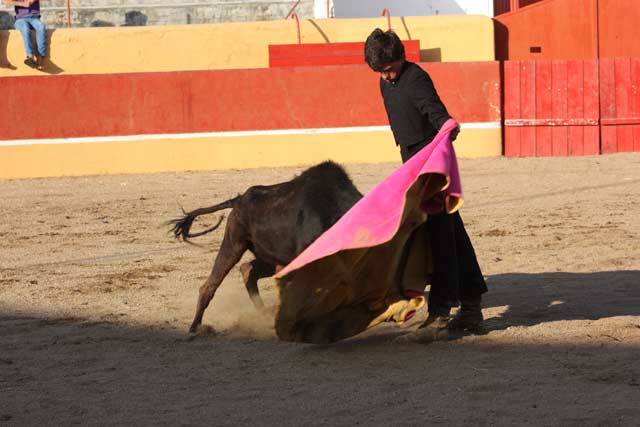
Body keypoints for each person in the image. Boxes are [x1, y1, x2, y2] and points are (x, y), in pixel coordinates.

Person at [364, 28, 488, 342]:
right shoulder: (385, 81)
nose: (387, 76)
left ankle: (441, 313)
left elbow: (442, 121)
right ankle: (472, 307)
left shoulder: (415, 78)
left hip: (431, 169)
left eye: (390, 68)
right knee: (452, 235)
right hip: (412, 167)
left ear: (401, 58)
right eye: (380, 71)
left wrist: (445, 136)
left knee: (440, 239)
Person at [4, 0, 46, 70]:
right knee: (25, 29)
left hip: (34, 18)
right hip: (20, 19)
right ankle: (30, 56)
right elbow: (6, 1)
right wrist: (21, 3)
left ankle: (40, 59)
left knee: (41, 27)